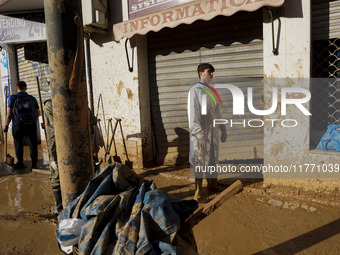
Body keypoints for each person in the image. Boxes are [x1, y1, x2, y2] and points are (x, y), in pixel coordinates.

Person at [188, 63, 227, 201]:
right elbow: (193, 116)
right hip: (201, 133)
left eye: (212, 72)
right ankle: (198, 192)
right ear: (201, 73)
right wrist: (199, 136)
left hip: (213, 133)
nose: (212, 74)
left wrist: (223, 128)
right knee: (199, 161)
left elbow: (218, 113)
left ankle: (212, 185)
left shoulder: (212, 91)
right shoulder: (195, 90)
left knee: (212, 159)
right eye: (209, 71)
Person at [3, 81, 40, 169]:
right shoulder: (32, 98)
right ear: (26, 88)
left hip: (18, 125)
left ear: (17, 88)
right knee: (32, 145)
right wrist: (34, 121)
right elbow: (38, 112)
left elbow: (9, 114)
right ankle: (34, 164)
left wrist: (6, 125)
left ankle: (20, 163)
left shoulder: (12, 98)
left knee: (18, 144)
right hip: (31, 125)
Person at [43, 98, 63, 214]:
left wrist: (52, 156)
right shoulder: (79, 98)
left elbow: (52, 133)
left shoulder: (50, 104)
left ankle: (60, 207)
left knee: (56, 176)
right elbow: (93, 121)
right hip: (81, 146)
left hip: (60, 147)